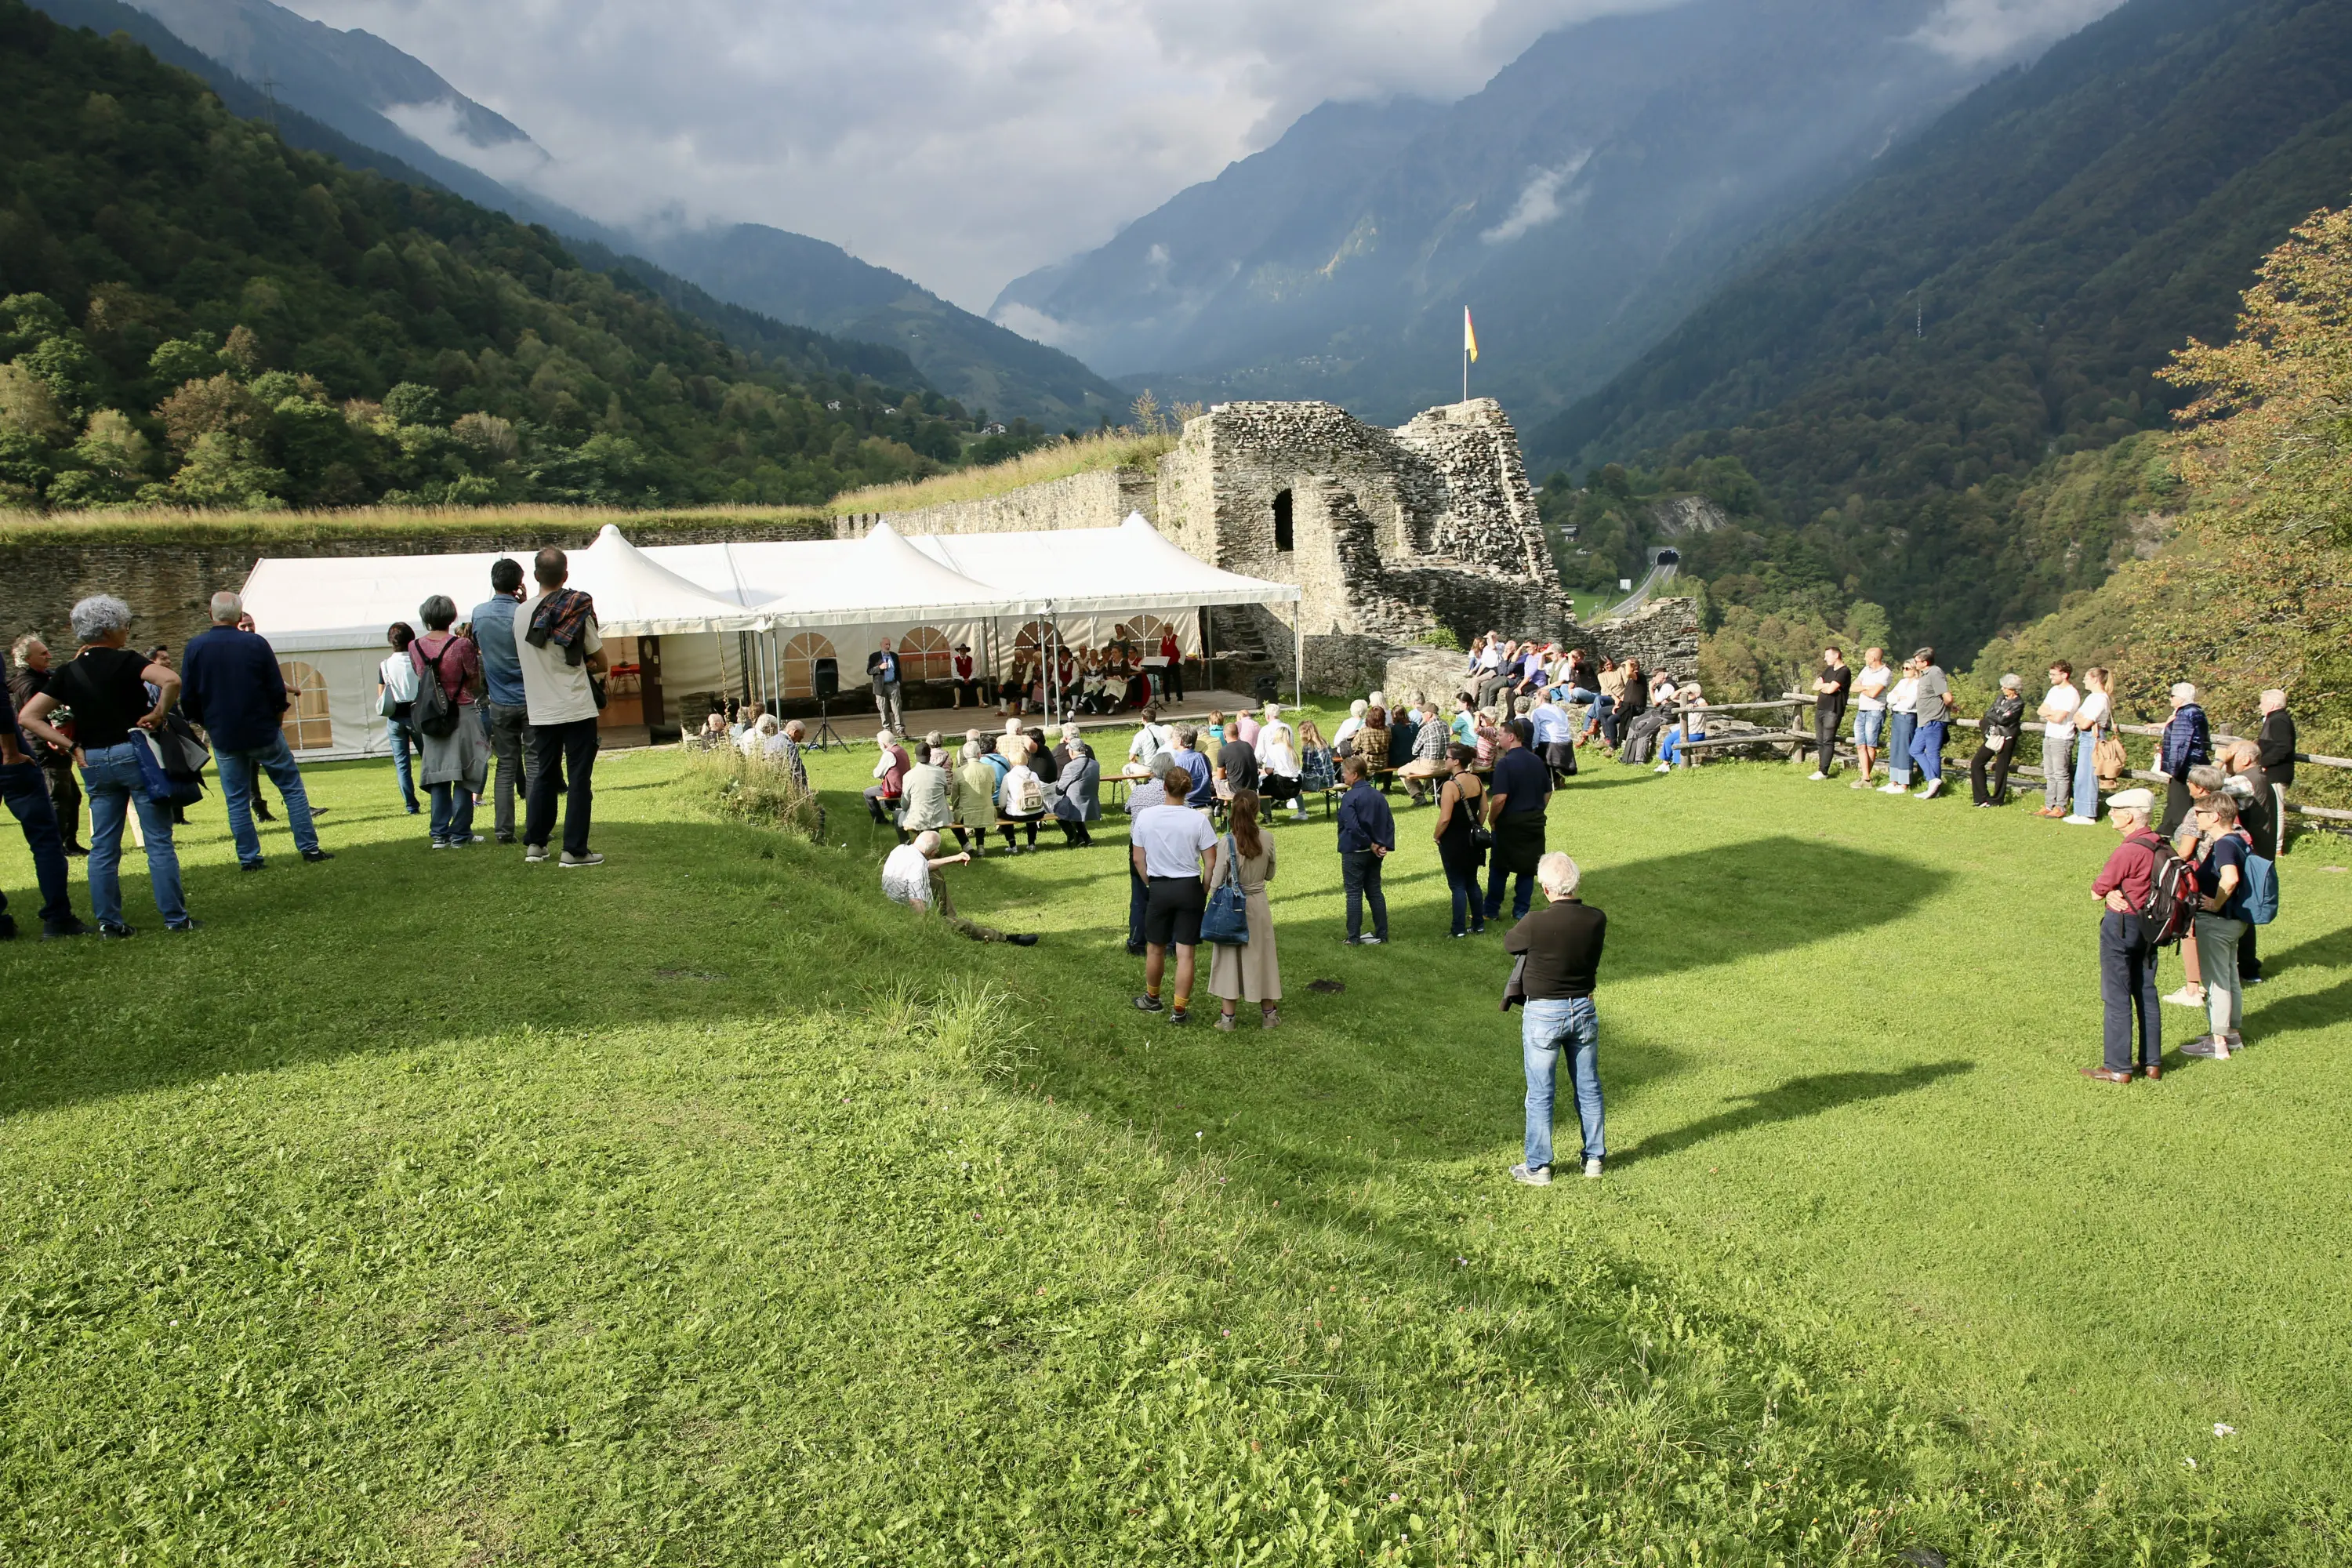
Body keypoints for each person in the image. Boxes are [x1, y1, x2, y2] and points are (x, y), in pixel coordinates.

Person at [17, 596, 195, 935]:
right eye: (125, 626)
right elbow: (171, 679)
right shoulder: (127, 661)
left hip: (94, 758)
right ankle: (175, 918)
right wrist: (158, 714)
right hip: (134, 752)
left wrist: (72, 746)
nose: (127, 631)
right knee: (158, 840)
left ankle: (109, 923)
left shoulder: (70, 671)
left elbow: (29, 716)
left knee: (103, 845)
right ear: (111, 629)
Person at [181, 589, 333, 869]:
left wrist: (208, 723)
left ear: (210, 614)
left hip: (225, 733)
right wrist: (277, 720)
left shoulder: (196, 648)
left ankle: (249, 858)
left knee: (237, 798)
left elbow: (188, 698)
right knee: (291, 788)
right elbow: (276, 689)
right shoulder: (255, 644)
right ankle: (309, 849)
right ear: (240, 615)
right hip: (262, 729)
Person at [1504, 851, 1608, 1184]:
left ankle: (1538, 1166)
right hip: (1583, 1007)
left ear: (1546, 889)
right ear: (1576, 883)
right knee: (1588, 1086)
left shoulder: (1535, 922)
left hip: (1544, 1014)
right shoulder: (1596, 918)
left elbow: (1510, 943)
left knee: (1540, 1091)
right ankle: (1594, 1158)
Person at [514, 545, 609, 867]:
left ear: (535, 575)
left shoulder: (521, 613)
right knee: (579, 778)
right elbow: (601, 661)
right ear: (566, 575)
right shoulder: (575, 609)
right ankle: (574, 850)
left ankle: (536, 844)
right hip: (576, 705)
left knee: (542, 775)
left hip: (539, 706)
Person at [0, 658, 86, 938]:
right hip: (9, 758)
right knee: (45, 838)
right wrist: (10, 751)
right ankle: (58, 917)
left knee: (45, 837)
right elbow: (1, 705)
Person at [2084, 788, 2165, 1083]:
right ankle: (2152, 1063)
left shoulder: (2128, 849)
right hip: (2151, 927)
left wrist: (2112, 892)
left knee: (2116, 995)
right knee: (2146, 991)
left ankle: (2118, 1066)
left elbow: (2096, 891)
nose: (2111, 816)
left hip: (2122, 926)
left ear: (2129, 816)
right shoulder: (2160, 844)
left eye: (2116, 811)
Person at [1133, 761, 1218, 1021]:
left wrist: (1150, 882)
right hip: (1190, 886)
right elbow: (1211, 861)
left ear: (1164, 788)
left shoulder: (1146, 816)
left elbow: (1138, 858)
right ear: (1188, 790)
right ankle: (1179, 1010)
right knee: (1186, 953)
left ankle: (1152, 998)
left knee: (1155, 947)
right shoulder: (1198, 819)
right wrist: (1203, 888)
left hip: (1159, 885)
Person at [407, 595, 488, 848]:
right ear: (451, 616)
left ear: (426, 617)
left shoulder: (414, 646)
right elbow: (474, 680)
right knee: (464, 773)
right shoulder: (462, 645)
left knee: (438, 774)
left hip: (431, 713)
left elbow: (421, 676)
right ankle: (460, 833)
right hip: (461, 710)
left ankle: (439, 833)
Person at [469, 557, 538, 844]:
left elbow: (476, 648)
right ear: (520, 584)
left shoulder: (479, 614)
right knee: (534, 764)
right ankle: (536, 826)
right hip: (532, 699)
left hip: (499, 701)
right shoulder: (526, 612)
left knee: (506, 766)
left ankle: (503, 830)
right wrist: (525, 601)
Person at [2180, 790, 2252, 1060]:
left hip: (2219, 922)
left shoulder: (2223, 844)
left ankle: (2217, 1042)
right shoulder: (2239, 839)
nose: (2195, 817)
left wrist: (2215, 904)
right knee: (2230, 976)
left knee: (2216, 980)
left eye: (2199, 814)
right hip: (2236, 921)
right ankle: (2231, 1035)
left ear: (2214, 816)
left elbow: (2230, 878)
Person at [1205, 790, 1281, 1031]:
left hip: (1231, 904)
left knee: (1228, 958)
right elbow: (1270, 874)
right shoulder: (1267, 838)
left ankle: (1228, 1019)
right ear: (1257, 811)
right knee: (1262, 957)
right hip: (1258, 903)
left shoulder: (1227, 842)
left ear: (1232, 811)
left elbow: (1216, 881)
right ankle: (1269, 1015)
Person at [881, 829, 1034, 945]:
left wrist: (955, 858)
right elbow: (916, 901)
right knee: (966, 926)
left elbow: (925, 865)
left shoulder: (902, 850)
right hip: (911, 916)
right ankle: (1005, 938)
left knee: (936, 874)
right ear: (933, 852)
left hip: (893, 906)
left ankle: (949, 918)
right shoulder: (916, 869)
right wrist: (929, 928)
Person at [9, 634, 85, 855]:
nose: (49, 656)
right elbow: (37, 719)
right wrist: (55, 738)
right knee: (59, 796)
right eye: (42, 653)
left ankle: (69, 843)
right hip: (44, 747)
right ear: (28, 659)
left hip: (52, 744)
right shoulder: (28, 684)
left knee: (71, 796)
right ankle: (59, 845)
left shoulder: (40, 679)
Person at [1485, 717, 1551, 922]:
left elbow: (1499, 798)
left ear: (1511, 737)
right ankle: (1521, 911)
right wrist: (1536, 809)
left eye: (1500, 735)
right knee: (1527, 868)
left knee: (1499, 867)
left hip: (1510, 824)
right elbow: (1548, 792)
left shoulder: (1505, 764)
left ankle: (1491, 910)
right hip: (1534, 822)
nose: (1497, 738)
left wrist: (1492, 820)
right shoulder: (1536, 760)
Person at [1336, 753, 1394, 945]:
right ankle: (1382, 934)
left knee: (1354, 894)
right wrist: (1382, 844)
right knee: (1375, 892)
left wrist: (1371, 843)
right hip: (1375, 853)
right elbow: (1388, 822)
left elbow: (1352, 826)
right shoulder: (1378, 795)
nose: (1343, 776)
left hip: (1355, 851)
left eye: (1345, 772)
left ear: (1354, 774)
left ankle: (1353, 937)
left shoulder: (1349, 797)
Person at [1433, 743, 1488, 938]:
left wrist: (1436, 835)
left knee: (1457, 885)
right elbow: (1485, 809)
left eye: (1447, 757)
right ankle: (1479, 924)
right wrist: (1476, 827)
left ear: (1456, 761)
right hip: (1473, 840)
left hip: (1454, 840)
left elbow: (1445, 818)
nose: (1445, 760)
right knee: (1472, 882)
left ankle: (1458, 929)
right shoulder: (1477, 781)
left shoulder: (1450, 786)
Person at [376, 622, 423, 815]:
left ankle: (411, 805)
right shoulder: (418, 662)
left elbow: (381, 695)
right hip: (417, 715)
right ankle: (437, 794)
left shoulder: (384, 665)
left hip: (395, 717)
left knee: (402, 764)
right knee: (430, 758)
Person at [2157, 681, 2210, 836]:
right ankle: (2167, 829)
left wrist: (2173, 767)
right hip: (2191, 762)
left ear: (2181, 698)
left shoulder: (2185, 713)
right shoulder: (2195, 712)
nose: (2170, 699)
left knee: (2180, 801)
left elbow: (2180, 743)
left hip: (2186, 764)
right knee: (2176, 799)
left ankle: (2180, 831)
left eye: (2172, 696)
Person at [1968, 674, 2026, 808]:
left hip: (2007, 737)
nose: (2002, 689)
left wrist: (1995, 716)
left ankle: (1997, 799)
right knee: (1977, 763)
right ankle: (1981, 797)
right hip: (1994, 735)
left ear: (2013, 689)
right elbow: (1989, 713)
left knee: (2001, 768)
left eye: (2005, 687)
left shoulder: (2018, 703)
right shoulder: (2000, 698)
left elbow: (2003, 720)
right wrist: (1996, 716)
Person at [2066, 666, 2113, 824]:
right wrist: (2080, 721)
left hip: (2093, 737)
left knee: (2088, 775)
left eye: (2086, 677)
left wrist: (2080, 721)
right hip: (2087, 737)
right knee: (2081, 775)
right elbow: (2078, 717)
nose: (2084, 681)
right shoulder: (2093, 697)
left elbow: (2084, 722)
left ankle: (2088, 813)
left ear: (2095, 679)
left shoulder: (2099, 699)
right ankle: (2080, 811)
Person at [2034, 661, 2080, 818]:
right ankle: (2049, 804)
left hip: (2062, 737)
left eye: (2054, 674)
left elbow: (2059, 718)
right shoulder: (2054, 690)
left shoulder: (2071, 693)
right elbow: (2040, 710)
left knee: (2060, 774)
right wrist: (2051, 713)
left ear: (2064, 675)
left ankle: (2061, 806)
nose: (2050, 677)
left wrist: (2050, 713)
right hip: (2049, 735)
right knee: (2049, 773)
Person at [1908, 648, 1951, 799]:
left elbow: (1947, 697)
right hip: (1924, 721)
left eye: (1917, 661)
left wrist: (1950, 706)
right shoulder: (1925, 675)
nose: (1915, 664)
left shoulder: (1935, 673)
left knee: (1932, 753)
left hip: (1934, 720)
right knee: (1915, 750)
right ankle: (1933, 780)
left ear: (1925, 662)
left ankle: (1934, 788)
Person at [2256, 688, 2295, 844]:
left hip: (2276, 772)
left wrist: (2263, 763)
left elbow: (2284, 747)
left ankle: (2276, 844)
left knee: (2276, 809)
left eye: (2262, 703)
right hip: (2272, 771)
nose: (2260, 706)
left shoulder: (2279, 720)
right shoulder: (2275, 719)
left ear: (2272, 704)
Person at [948, 740, 1000, 857]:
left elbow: (955, 796)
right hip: (987, 811)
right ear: (979, 754)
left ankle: (966, 844)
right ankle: (980, 847)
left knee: (950, 819)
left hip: (966, 814)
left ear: (965, 756)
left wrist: (955, 807)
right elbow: (993, 789)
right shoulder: (989, 769)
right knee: (980, 812)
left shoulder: (959, 772)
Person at [1848, 648, 1891, 789]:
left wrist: (1863, 688)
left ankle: (1866, 778)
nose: (1865, 659)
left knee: (1871, 745)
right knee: (1860, 745)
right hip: (1862, 710)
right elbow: (1853, 687)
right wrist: (1867, 687)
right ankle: (1865, 777)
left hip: (1875, 711)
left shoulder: (1886, 673)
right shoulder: (1866, 670)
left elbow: (1874, 694)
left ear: (1873, 658)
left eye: (1866, 657)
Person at [1052, 728, 1102, 846]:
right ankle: (1086, 837)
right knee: (1072, 806)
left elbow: (1059, 790)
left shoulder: (1070, 767)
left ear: (1072, 752)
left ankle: (1073, 836)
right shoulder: (1095, 764)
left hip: (1076, 804)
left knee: (1056, 808)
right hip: (1091, 802)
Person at [996, 742, 1048, 852]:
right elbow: (1041, 795)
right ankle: (1031, 843)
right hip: (1037, 811)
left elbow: (1002, 801)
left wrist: (1002, 808)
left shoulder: (1009, 777)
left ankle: (1012, 845)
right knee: (1031, 815)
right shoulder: (1034, 775)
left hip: (1017, 814)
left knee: (1004, 815)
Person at [1809, 647, 1850, 779]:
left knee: (1827, 740)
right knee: (1820, 740)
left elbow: (1831, 689)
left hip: (1833, 710)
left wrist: (1827, 686)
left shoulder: (1844, 671)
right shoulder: (1828, 670)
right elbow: (1815, 686)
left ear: (1836, 655)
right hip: (1821, 708)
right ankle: (1821, 769)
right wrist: (1826, 686)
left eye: (1827, 655)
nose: (1825, 658)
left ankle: (1823, 771)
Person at [1256, 703, 1301, 820]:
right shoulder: (1288, 728)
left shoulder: (1266, 731)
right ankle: (1301, 810)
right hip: (1291, 772)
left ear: (1267, 716)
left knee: (1262, 783)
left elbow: (1260, 752)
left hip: (1275, 771)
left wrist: (1257, 764)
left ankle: (1267, 814)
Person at [1882, 657, 1920, 793]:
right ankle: (1894, 781)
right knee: (1896, 747)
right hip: (1897, 715)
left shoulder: (1918, 684)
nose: (1904, 671)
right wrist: (1898, 698)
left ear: (1916, 670)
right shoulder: (1902, 682)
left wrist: (1897, 698)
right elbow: (1889, 697)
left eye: (1908, 668)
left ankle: (1904, 783)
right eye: (1903, 668)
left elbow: (1909, 703)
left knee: (1905, 748)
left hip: (1907, 716)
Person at [866, 730, 911, 837]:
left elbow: (877, 773)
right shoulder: (901, 749)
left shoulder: (889, 754)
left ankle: (880, 820)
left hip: (895, 789)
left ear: (883, 744)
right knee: (881, 794)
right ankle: (892, 807)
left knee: (867, 793)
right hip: (906, 786)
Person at [1530, 686, 1576, 787]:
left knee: (1529, 754)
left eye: (1535, 698)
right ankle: (1555, 778)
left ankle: (1550, 780)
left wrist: (1532, 748)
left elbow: (1536, 734)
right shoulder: (1560, 710)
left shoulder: (1537, 712)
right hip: (1566, 745)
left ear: (1541, 698)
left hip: (1552, 747)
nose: (1535, 700)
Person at [1656, 683, 1708, 771]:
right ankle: (1665, 764)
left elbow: (1705, 705)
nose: (1688, 695)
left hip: (1696, 733)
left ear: (1697, 694)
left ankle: (1679, 764)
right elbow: (1672, 697)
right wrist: (1681, 690)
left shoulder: (1700, 700)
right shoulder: (1685, 700)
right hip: (1685, 730)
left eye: (1690, 693)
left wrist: (1695, 706)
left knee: (1678, 743)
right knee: (1668, 740)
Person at [1167, 725, 1214, 809]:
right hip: (1206, 808)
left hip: (1187, 809)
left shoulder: (1176, 762)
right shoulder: (1204, 758)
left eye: (1173, 737)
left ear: (1180, 741)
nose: (1171, 740)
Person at [868, 638, 906, 734]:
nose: (888, 646)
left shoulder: (894, 656)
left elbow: (898, 670)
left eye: (889, 644)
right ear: (881, 645)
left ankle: (900, 730)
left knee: (897, 708)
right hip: (880, 686)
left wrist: (898, 682)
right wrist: (879, 668)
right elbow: (869, 671)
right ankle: (887, 730)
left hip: (893, 684)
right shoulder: (874, 657)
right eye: (886, 644)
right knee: (883, 708)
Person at [1127, 704, 1173, 780]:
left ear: (1143, 719)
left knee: (1126, 769)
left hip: (1148, 767)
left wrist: (1135, 761)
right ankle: (1146, 784)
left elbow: (1131, 757)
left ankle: (1136, 789)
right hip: (1164, 765)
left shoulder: (1140, 735)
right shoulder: (1163, 730)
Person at [764, 717, 810, 790]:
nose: (800, 741)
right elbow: (797, 771)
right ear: (795, 732)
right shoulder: (790, 746)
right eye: (801, 737)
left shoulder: (769, 741)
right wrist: (805, 791)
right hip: (785, 786)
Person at [1157, 626, 1185, 702]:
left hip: (1174, 663)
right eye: (1165, 628)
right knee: (1166, 682)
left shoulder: (1177, 639)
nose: (1166, 630)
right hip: (1165, 664)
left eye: (1168, 628)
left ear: (1172, 629)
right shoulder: (1162, 639)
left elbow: (1182, 650)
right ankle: (1167, 699)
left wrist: (1180, 661)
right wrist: (1159, 661)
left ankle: (1180, 698)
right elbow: (1159, 651)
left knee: (1177, 681)